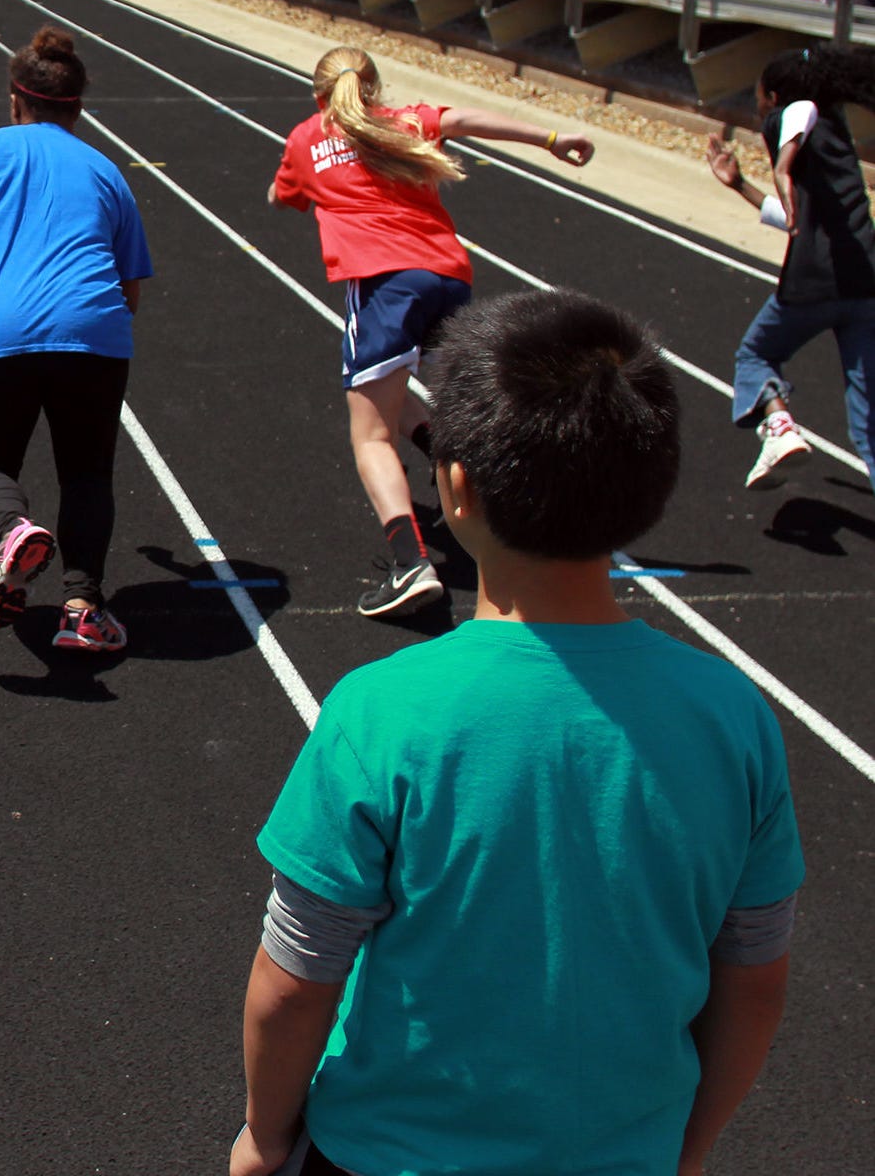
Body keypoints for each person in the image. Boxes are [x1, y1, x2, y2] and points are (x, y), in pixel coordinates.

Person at [234, 290, 801, 1176]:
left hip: (388, 1153)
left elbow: (293, 982)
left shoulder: (379, 711)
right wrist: (684, 1153)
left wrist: (266, 1137)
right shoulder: (734, 717)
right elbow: (755, 978)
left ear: (456, 486)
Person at [266, 46, 594, 619]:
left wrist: (288, 190)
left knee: (369, 435)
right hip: (447, 277)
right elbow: (465, 119)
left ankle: (410, 564)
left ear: (320, 96)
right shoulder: (405, 121)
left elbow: (284, 193)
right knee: (430, 404)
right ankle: (485, 479)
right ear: (375, 87)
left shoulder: (304, 139)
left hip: (384, 286)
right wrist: (550, 139)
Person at [0, 27, 152, 652]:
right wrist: (102, 335)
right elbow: (131, 283)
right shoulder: (106, 172)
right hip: (93, 334)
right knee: (87, 474)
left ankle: (13, 529)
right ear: (76, 106)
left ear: (16, 100)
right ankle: (83, 610)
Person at [703, 43, 875, 486]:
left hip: (813, 285)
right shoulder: (838, 132)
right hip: (864, 287)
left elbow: (800, 112)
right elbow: (801, 220)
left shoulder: (789, 119)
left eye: (759, 98)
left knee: (755, 354)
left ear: (774, 97)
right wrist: (742, 185)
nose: (758, 107)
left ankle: (778, 426)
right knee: (868, 423)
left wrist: (781, 161)